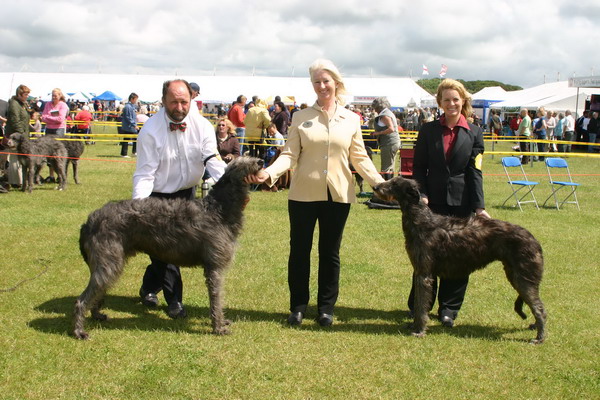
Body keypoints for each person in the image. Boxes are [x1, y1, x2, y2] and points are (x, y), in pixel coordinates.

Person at [248, 59, 385, 327]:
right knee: (299, 251)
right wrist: (269, 173)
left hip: (339, 196)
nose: (322, 86)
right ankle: (298, 307)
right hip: (302, 195)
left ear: (336, 83)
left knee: (330, 253)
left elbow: (359, 158)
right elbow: (289, 154)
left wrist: (379, 183)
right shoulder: (300, 117)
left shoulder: (352, 119)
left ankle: (326, 308)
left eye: (326, 81)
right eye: (317, 82)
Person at [134, 79, 228, 319]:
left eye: (184, 101)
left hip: (187, 195)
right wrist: (139, 208)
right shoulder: (150, 131)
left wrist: (231, 187)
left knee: (170, 251)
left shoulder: (203, 126)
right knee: (167, 252)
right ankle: (175, 301)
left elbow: (213, 160)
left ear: (191, 100)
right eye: (174, 102)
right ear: (163, 100)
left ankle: (148, 287)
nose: (179, 107)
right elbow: (145, 173)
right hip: (157, 197)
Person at [407, 78, 490, 328]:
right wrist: (421, 194)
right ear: (440, 103)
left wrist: (479, 206)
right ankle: (420, 306)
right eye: (446, 100)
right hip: (431, 204)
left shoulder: (474, 132)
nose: (451, 103)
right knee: (425, 257)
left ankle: (449, 309)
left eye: (456, 99)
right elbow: (419, 167)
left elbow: (475, 171)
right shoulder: (428, 130)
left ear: (462, 101)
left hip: (462, 204)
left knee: (459, 257)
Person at [5, 84, 32, 188]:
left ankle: (20, 180)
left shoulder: (21, 104)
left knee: (20, 159)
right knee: (15, 159)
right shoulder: (14, 104)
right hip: (16, 137)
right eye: (25, 94)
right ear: (19, 94)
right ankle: (16, 182)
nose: (27, 96)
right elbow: (15, 121)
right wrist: (22, 135)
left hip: (22, 136)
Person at [41, 88, 69, 182]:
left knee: (58, 153)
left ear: (60, 95)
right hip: (49, 130)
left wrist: (48, 118)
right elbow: (43, 117)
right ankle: (51, 175)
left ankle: (60, 176)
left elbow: (60, 119)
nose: (53, 97)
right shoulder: (48, 104)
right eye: (52, 95)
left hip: (59, 131)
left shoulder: (63, 105)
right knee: (49, 153)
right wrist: (52, 118)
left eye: (55, 95)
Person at [371, 97, 401, 180]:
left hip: (388, 143)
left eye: (375, 108)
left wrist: (378, 133)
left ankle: (386, 189)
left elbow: (391, 129)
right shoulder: (389, 113)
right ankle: (391, 186)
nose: (375, 110)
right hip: (393, 142)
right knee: (390, 167)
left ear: (378, 107)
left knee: (385, 168)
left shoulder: (384, 116)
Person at [120, 93, 139, 157]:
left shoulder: (132, 106)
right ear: (132, 99)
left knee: (135, 139)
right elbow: (128, 117)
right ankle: (124, 154)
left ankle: (134, 152)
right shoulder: (128, 107)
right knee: (126, 140)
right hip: (128, 127)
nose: (136, 101)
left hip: (131, 126)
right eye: (135, 99)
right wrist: (134, 125)